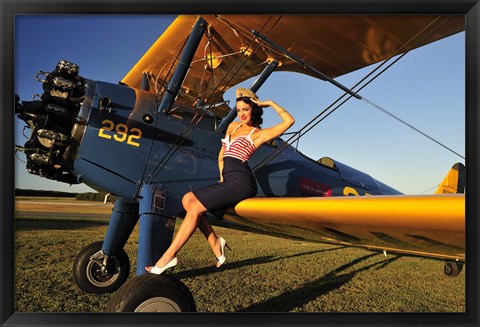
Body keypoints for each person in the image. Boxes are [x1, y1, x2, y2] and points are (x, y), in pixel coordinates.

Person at [146, 87, 295, 274]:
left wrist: (270, 103)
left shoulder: (258, 134)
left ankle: (168, 257)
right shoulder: (233, 127)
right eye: (239, 110)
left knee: (194, 206)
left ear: (254, 109)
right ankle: (216, 243)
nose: (241, 114)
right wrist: (222, 175)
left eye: (246, 110)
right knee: (187, 200)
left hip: (242, 181)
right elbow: (222, 154)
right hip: (228, 178)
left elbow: (289, 121)